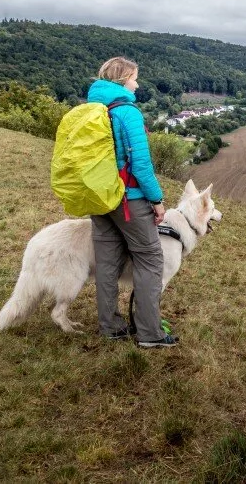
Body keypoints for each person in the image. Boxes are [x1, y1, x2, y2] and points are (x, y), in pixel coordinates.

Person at [87, 57, 178, 348]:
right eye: (134, 78)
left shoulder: (92, 108)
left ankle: (111, 327)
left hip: (99, 197)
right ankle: (150, 334)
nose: (137, 84)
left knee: (107, 264)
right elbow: (140, 165)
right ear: (122, 79)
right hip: (129, 200)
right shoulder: (127, 112)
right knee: (150, 260)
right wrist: (157, 200)